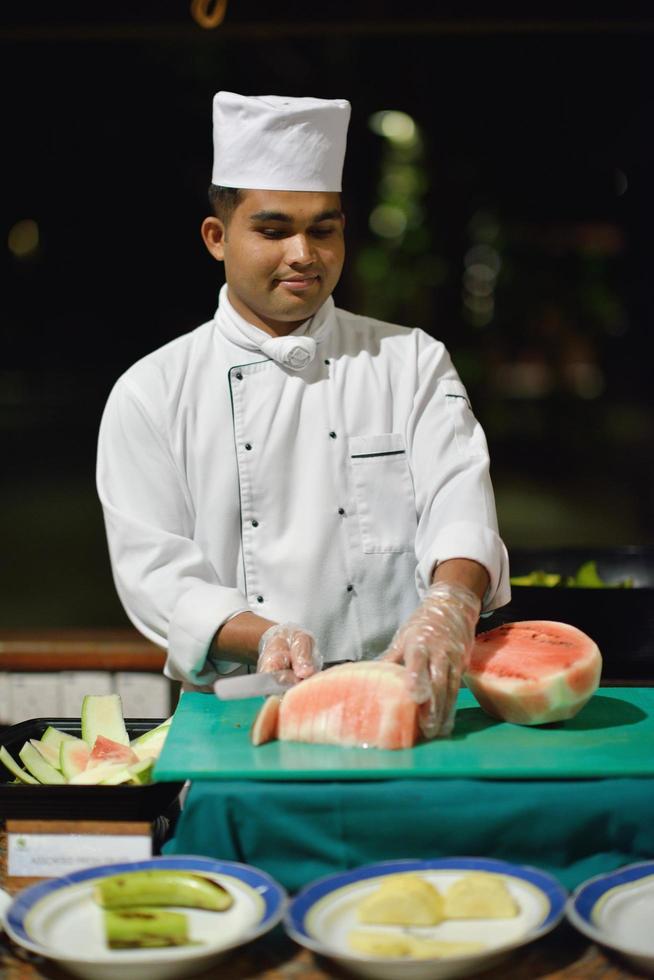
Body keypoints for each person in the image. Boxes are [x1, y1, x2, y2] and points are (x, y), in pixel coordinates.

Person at [96, 92, 510, 738]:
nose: (303, 253)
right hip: (240, 713)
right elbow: (155, 574)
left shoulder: (411, 360)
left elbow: (459, 502)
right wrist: (266, 636)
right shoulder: (152, 391)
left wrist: (451, 604)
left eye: (323, 229)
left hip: (408, 705)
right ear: (216, 237)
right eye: (272, 229)